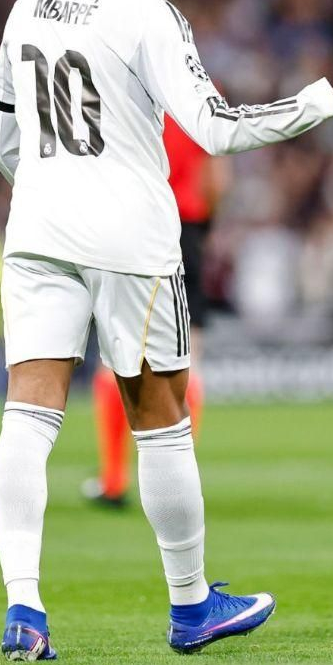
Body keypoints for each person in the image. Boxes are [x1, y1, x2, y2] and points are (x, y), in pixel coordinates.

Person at [0, 0, 333, 660]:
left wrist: (53, 192)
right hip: (130, 242)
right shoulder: (147, 14)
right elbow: (217, 127)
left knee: (28, 416)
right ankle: (192, 604)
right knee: (161, 419)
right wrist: (327, 99)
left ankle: (24, 608)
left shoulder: (28, 4)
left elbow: (1, 141)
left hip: (35, 232)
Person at [83, 116, 226, 508]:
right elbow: (216, 176)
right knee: (188, 353)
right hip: (185, 224)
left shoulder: (120, 84)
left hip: (133, 224)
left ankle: (113, 480)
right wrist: (203, 225)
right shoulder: (196, 84)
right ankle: (181, 480)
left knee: (114, 353)